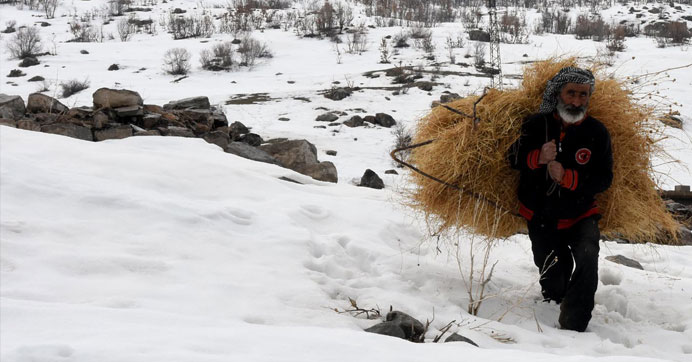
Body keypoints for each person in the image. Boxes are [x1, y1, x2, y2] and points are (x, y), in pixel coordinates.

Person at [508, 67, 613, 332]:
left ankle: (574, 326)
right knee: (554, 282)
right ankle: (556, 298)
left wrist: (569, 178)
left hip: (581, 214)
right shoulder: (536, 124)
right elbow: (512, 158)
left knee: (588, 257)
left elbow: (604, 179)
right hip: (540, 215)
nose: (576, 101)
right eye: (571, 93)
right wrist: (537, 158)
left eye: (582, 94)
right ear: (558, 93)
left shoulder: (598, 132)